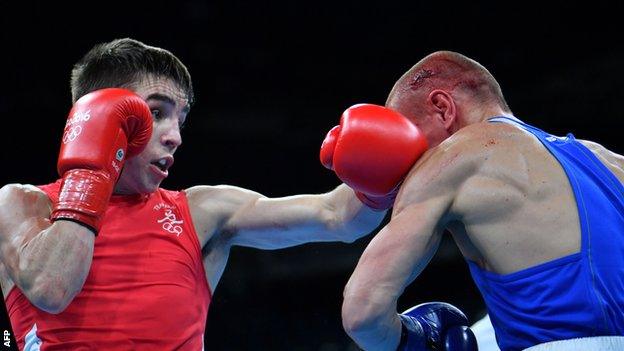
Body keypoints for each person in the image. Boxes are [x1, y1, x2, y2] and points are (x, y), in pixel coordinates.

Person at [0, 37, 407, 350]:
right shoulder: (23, 204)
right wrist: (94, 166)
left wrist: (390, 157)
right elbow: (51, 288)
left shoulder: (202, 211)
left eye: (181, 119)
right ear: (98, 115)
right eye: (156, 113)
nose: (174, 136)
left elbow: (338, 217)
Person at [329, 51, 624, 350]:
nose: (409, 160)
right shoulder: (611, 162)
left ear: (443, 108)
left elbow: (362, 314)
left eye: (408, 136)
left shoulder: (452, 158)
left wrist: (410, 340)